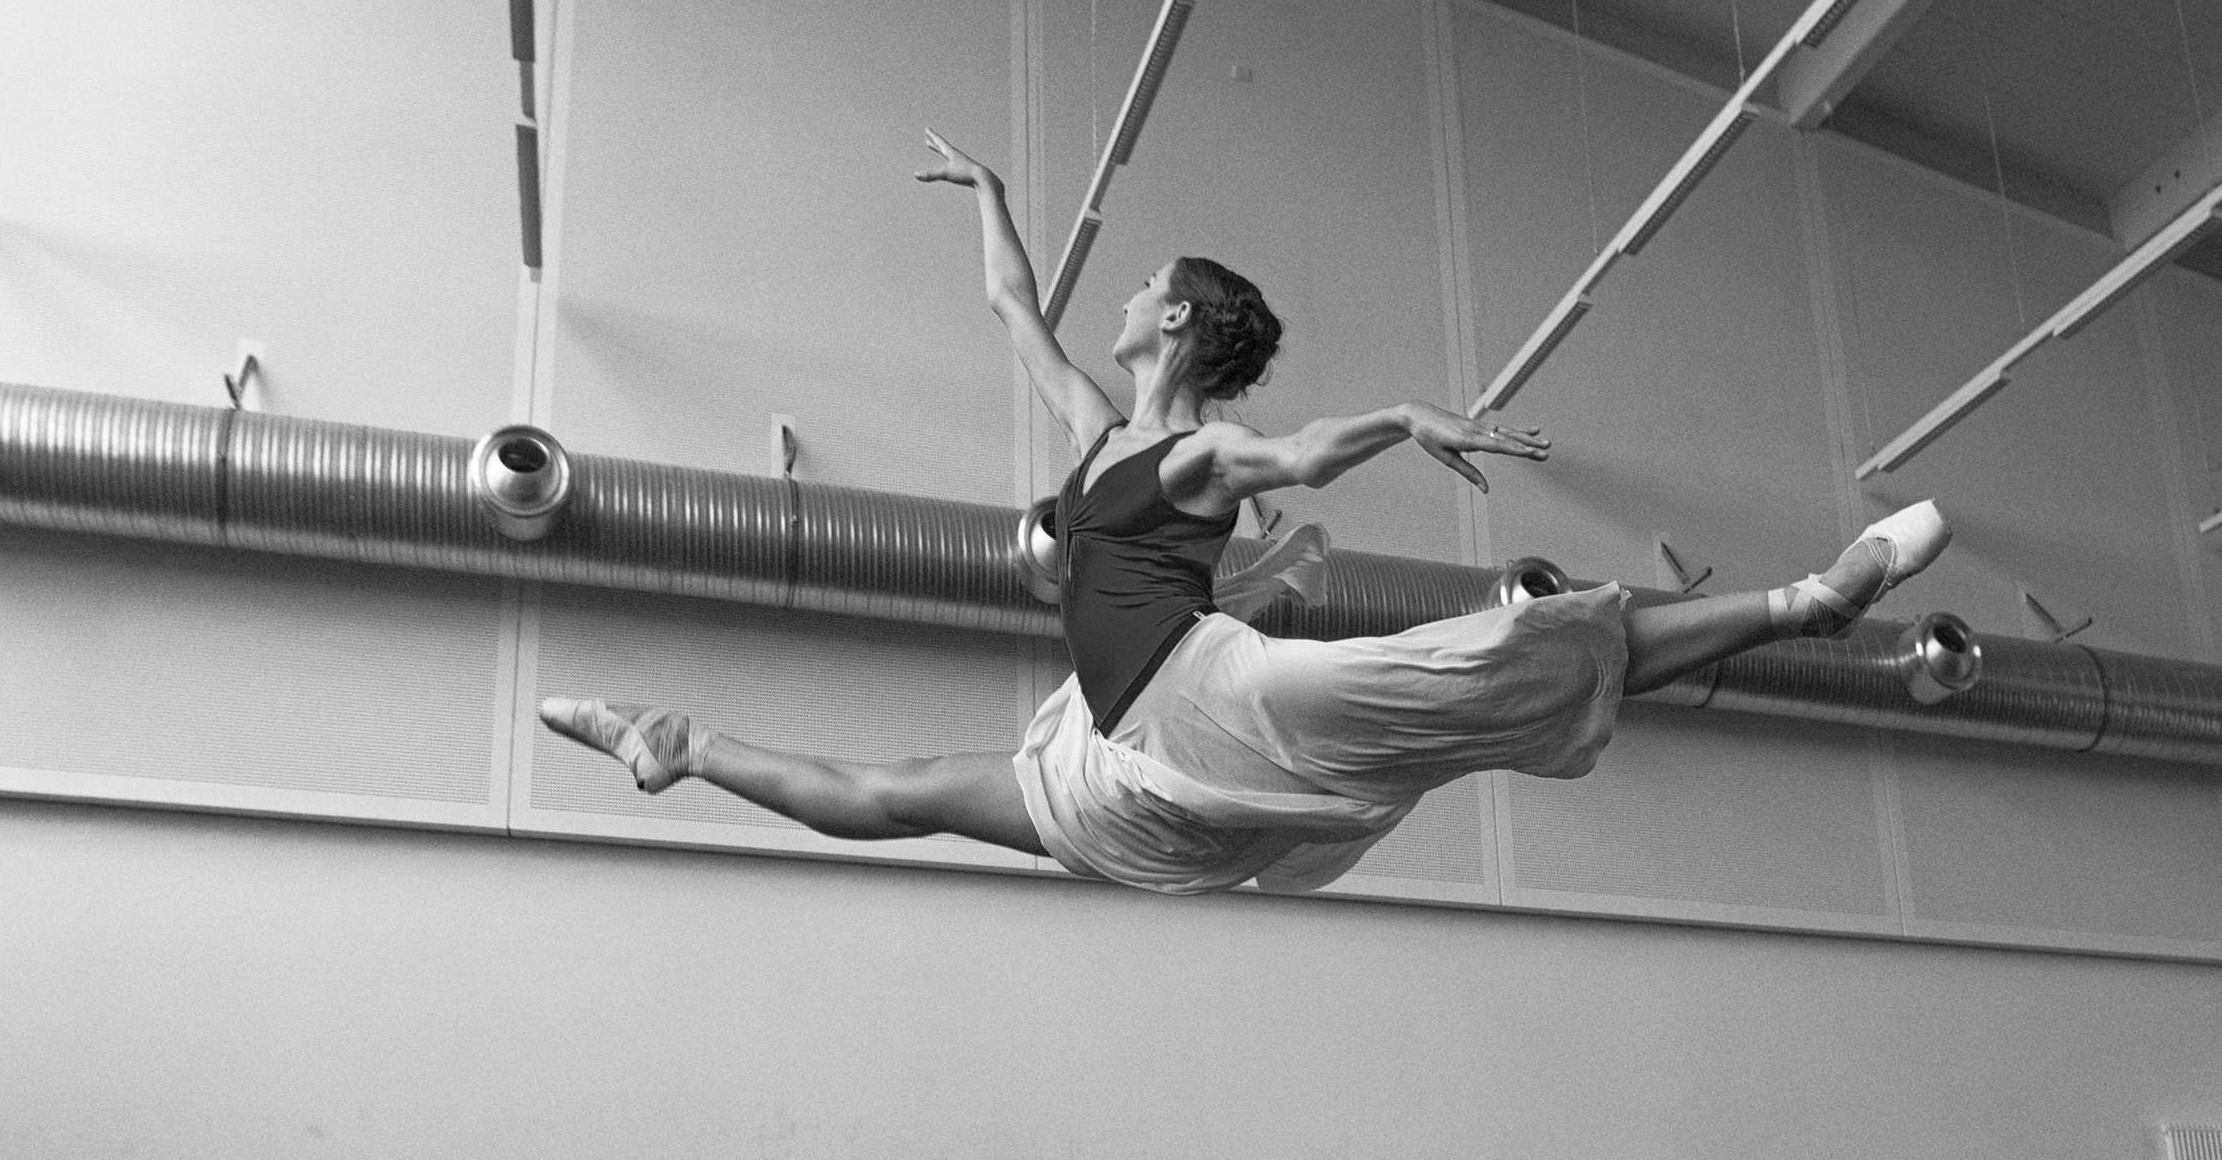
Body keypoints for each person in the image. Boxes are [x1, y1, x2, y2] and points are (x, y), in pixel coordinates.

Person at [538, 130, 1950, 896]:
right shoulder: (1096, 436)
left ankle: (1806, 606)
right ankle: (684, 746)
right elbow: (1008, 308)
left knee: (1519, 652)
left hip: (1210, 709)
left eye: (1149, 282)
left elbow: (1307, 458)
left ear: (1184, 323)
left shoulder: (1200, 462)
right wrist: (990, 191)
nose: (1129, 293)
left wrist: (1408, 418)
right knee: (891, 794)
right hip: (1120, 768)